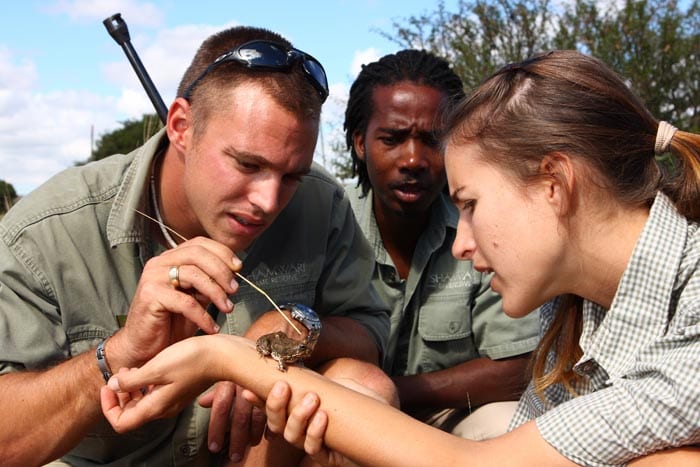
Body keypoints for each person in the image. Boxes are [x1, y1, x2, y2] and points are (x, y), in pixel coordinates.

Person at [101, 50, 700, 466]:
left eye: (469, 203)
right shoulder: (571, 308)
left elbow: (480, 461)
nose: (465, 243)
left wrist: (224, 356)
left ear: (554, 184)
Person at [0, 25, 394, 466]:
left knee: (366, 387)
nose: (268, 201)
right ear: (181, 127)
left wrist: (290, 328)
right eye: (247, 164)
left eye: (291, 176)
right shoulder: (47, 233)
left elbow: (371, 335)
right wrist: (118, 354)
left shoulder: (321, 203)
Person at [342, 49, 539, 439]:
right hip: (342, 416)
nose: (413, 159)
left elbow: (516, 367)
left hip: (447, 422)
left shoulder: (486, 223)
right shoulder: (330, 221)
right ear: (360, 144)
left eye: (432, 140)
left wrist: (388, 393)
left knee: (513, 425)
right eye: (393, 139)